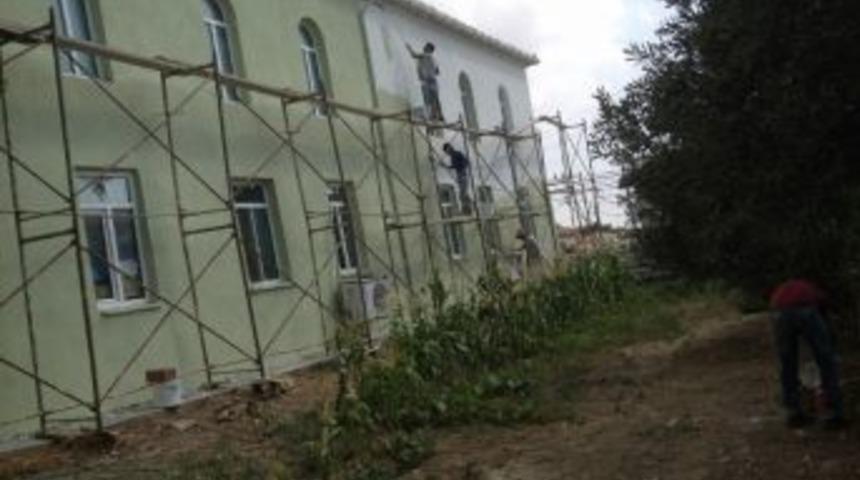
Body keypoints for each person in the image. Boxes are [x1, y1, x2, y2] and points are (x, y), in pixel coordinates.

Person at [769, 278, 845, 429]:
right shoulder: (815, 293)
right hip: (805, 310)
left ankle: (793, 412)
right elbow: (825, 324)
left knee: (787, 363)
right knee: (826, 360)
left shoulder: (785, 289)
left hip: (779, 313)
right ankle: (833, 413)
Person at [406, 42, 444, 122]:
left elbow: (414, 55)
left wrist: (408, 47)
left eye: (425, 47)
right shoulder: (434, 59)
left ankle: (431, 115)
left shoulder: (426, 55)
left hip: (427, 81)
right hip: (433, 81)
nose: (424, 48)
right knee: (435, 99)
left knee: (427, 100)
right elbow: (437, 72)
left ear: (429, 49)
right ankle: (438, 115)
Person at [440, 143, 472, 214]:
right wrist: (445, 166)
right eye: (446, 151)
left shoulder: (457, 154)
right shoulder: (453, 156)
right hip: (460, 176)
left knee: (462, 194)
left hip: (462, 175)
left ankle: (468, 209)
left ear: (449, 148)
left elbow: (465, 162)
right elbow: (454, 166)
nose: (447, 153)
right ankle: (468, 208)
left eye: (446, 151)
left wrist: (461, 167)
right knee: (463, 194)